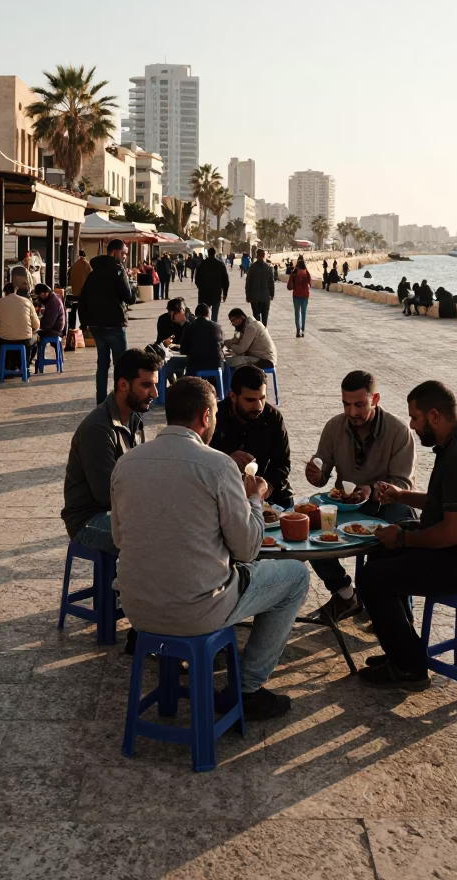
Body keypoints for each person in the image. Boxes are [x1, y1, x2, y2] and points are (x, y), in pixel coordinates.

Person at [110, 376, 309, 720]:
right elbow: (247, 549)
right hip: (195, 609)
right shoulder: (218, 465)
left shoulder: (126, 463)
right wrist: (255, 499)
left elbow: (120, 539)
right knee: (295, 577)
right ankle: (247, 688)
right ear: (205, 417)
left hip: (138, 608)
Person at [356, 380, 457, 689]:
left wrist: (404, 539)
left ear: (434, 416)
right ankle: (401, 648)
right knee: (381, 547)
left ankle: (410, 667)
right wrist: (402, 496)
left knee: (372, 578)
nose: (412, 426)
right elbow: (443, 504)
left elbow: (454, 532)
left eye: (415, 418)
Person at [304, 370, 417, 622]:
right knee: (308, 525)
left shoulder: (398, 431)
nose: (352, 412)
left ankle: (394, 614)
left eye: (359, 405)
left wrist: (372, 490)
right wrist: (315, 472)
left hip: (389, 505)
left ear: (375, 399)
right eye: (346, 404)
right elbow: (322, 475)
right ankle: (345, 595)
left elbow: (403, 484)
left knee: (395, 534)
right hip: (347, 507)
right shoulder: (334, 427)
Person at [62, 348, 158, 555]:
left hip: (118, 512)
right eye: (146, 385)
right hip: (88, 520)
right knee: (155, 534)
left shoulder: (134, 417)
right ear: (123, 385)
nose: (155, 393)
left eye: (155, 384)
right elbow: (107, 495)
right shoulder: (97, 429)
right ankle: (128, 588)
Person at [212, 365, 293, 507]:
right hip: (223, 489)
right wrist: (227, 459)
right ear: (232, 396)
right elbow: (198, 458)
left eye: (262, 398)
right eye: (250, 400)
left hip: (265, 490)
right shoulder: (214, 417)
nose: (258, 407)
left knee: (287, 503)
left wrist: (265, 488)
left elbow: (282, 463)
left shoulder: (272, 417)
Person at [78, 239, 135, 404]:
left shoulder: (93, 273)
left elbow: (83, 299)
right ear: (114, 252)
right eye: (123, 253)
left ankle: (101, 402)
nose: (124, 257)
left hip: (96, 326)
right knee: (121, 366)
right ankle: (120, 400)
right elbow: (129, 298)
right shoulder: (118, 270)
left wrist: (84, 323)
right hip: (115, 324)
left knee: (102, 364)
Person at [0, 281, 40, 369]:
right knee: (35, 338)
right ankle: (24, 365)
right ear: (16, 291)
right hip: (24, 340)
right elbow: (36, 325)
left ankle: (5, 365)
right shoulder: (27, 302)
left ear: (5, 292)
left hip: (5, 339)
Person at [179, 302, 224, 376]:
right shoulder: (218, 327)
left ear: (196, 315)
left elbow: (183, 349)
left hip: (196, 366)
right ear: (208, 314)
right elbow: (221, 345)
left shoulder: (190, 327)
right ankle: (223, 387)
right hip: (216, 365)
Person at [194, 247, 230, 322]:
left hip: (203, 293)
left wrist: (200, 287)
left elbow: (197, 279)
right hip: (216, 293)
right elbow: (225, 280)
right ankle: (213, 329)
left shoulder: (202, 264)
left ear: (208, 253)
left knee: (202, 315)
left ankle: (203, 329)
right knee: (214, 315)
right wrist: (225, 293)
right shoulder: (220, 265)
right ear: (215, 253)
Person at [245, 249, 275, 326]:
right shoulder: (268, 268)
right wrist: (272, 294)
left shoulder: (252, 268)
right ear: (264, 256)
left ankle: (258, 335)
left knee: (256, 320)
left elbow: (248, 283)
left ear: (256, 256)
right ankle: (264, 334)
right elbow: (271, 283)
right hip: (265, 297)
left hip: (254, 298)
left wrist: (248, 296)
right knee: (264, 320)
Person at [287, 255, 312, 338]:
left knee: (297, 313)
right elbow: (310, 283)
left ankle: (298, 330)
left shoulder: (294, 272)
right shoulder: (306, 272)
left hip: (296, 295)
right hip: (305, 295)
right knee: (303, 313)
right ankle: (303, 330)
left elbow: (289, 285)